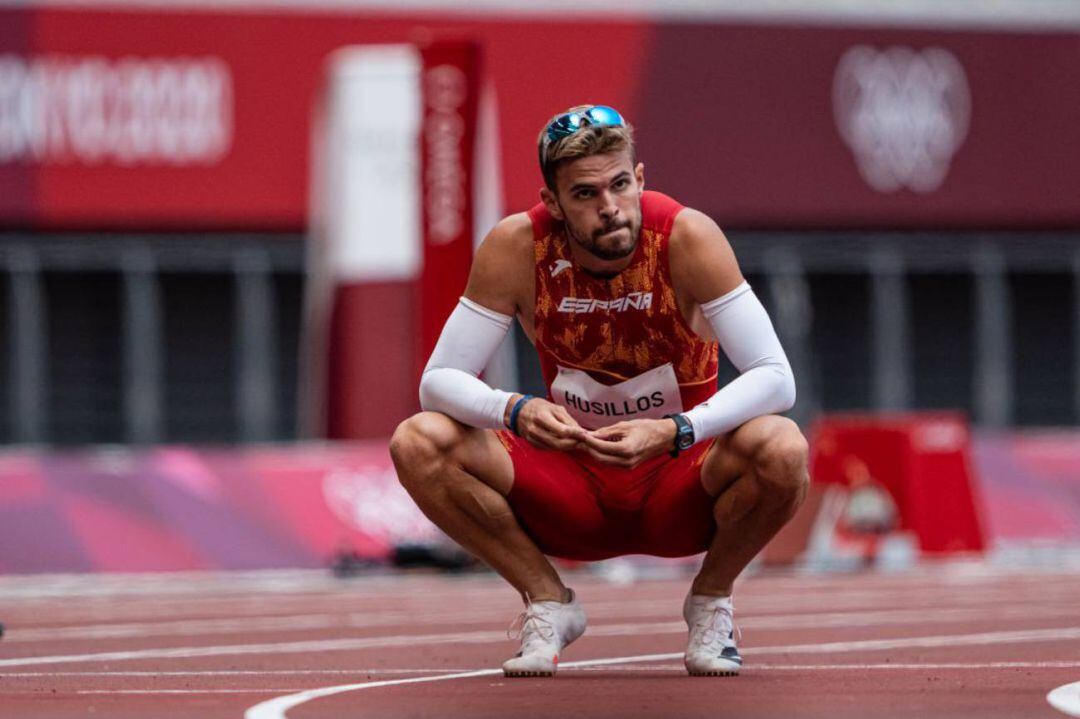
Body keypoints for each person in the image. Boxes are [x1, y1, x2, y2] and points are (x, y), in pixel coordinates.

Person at [390, 104, 809, 678]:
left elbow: (775, 376)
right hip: (572, 483)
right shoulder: (517, 247)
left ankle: (711, 600)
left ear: (640, 179)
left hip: (682, 482)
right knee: (418, 441)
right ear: (553, 202)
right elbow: (437, 382)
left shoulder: (687, 237)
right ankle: (548, 601)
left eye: (619, 185)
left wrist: (676, 430)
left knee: (783, 448)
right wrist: (514, 409)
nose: (610, 209)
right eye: (585, 194)